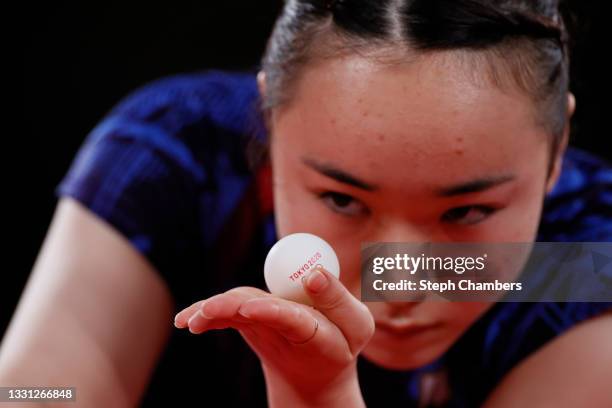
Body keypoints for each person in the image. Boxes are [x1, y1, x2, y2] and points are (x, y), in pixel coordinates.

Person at [2, 0, 611, 406]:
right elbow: (34, 397)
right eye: (342, 199)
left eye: (467, 211)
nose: (395, 280)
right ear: (267, 127)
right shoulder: (175, 152)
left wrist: (317, 398)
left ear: (557, 150)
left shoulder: (591, 257)